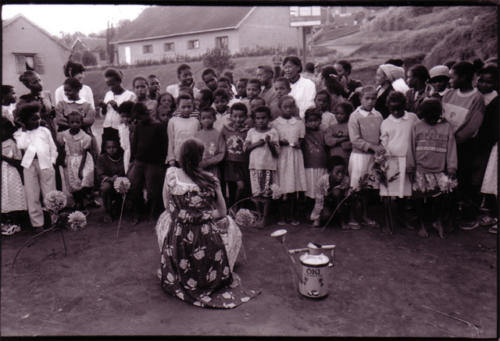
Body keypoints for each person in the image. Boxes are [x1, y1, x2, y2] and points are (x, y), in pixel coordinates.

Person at [155, 139, 259, 308]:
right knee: (228, 227)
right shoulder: (210, 179)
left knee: (168, 229)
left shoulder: (171, 174)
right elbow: (222, 212)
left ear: (181, 156)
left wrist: (184, 216)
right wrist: (202, 216)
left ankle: (180, 276)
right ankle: (207, 277)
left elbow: (167, 206)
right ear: (200, 157)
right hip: (204, 235)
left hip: (179, 235)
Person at [442, 61, 485, 230]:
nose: (450, 80)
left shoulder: (477, 98)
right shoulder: (449, 94)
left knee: (464, 180)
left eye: (453, 77)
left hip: (464, 146)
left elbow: (472, 126)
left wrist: (454, 141)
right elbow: (442, 117)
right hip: (446, 144)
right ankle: (449, 213)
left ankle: (469, 216)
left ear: (465, 77)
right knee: (447, 179)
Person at [407, 99, 457, 238]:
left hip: (439, 171)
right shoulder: (416, 126)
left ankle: (437, 221)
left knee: (440, 198)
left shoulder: (447, 127)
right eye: (429, 117)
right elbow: (410, 147)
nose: (432, 120)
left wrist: (452, 167)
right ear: (423, 115)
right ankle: (422, 224)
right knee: (419, 198)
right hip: (420, 170)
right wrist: (410, 167)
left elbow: (452, 148)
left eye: (435, 117)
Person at [14, 103, 58, 233]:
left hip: (46, 164)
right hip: (29, 166)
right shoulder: (19, 134)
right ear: (25, 121)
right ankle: (37, 224)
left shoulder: (44, 131)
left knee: (50, 193)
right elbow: (22, 145)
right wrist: (24, 130)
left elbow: (53, 147)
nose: (38, 121)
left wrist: (52, 160)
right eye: (33, 119)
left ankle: (54, 219)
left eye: (38, 118)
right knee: (32, 194)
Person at [379, 92, 419, 233]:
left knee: (404, 193)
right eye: (392, 109)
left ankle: (402, 219)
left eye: (399, 108)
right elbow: (384, 143)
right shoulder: (386, 122)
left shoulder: (412, 118)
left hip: (408, 160)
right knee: (388, 194)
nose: (396, 112)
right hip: (391, 162)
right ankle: (388, 223)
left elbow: (417, 137)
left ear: (405, 106)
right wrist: (383, 160)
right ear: (388, 107)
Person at [347, 86, 384, 229]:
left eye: (373, 98)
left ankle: (365, 216)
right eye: (367, 98)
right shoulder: (355, 116)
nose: (370, 101)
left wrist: (380, 147)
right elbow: (355, 139)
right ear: (360, 99)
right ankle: (352, 217)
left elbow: (382, 134)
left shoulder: (378, 115)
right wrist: (372, 147)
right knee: (356, 188)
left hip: (373, 158)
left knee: (369, 188)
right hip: (359, 157)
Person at [129, 102, 168, 223]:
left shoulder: (159, 126)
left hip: (154, 163)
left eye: (140, 117)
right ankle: (138, 212)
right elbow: (134, 144)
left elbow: (164, 146)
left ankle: (154, 213)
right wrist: (133, 160)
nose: (138, 120)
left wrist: (161, 164)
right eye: (136, 118)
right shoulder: (138, 126)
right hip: (139, 161)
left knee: (153, 191)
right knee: (134, 186)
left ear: (146, 114)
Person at [271, 96, 307, 225]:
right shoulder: (275, 124)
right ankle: (281, 216)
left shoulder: (298, 122)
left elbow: (301, 138)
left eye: (291, 107)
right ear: (280, 108)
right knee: (281, 185)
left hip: (295, 156)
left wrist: (299, 143)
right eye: (285, 107)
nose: (288, 109)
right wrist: (280, 142)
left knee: (293, 185)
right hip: (282, 157)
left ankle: (292, 216)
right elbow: (273, 141)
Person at [244, 106, 279, 228]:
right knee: (256, 194)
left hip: (268, 167)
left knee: (266, 194)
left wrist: (269, 143)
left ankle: (265, 218)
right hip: (254, 167)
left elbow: (276, 153)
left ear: (269, 118)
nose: (261, 121)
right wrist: (258, 143)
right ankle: (259, 216)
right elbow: (246, 149)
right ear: (254, 120)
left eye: (263, 118)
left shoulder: (273, 132)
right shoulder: (251, 132)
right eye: (258, 118)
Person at [474, 65, 498, 227]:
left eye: (488, 82)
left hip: (489, 145)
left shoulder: (496, 101)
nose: (483, 84)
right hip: (475, 143)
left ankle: (490, 212)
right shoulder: (476, 96)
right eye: (481, 80)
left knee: (488, 177)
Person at [57, 112, 94, 210]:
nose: (74, 124)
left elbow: (85, 153)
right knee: (71, 182)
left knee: (83, 180)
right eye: (72, 122)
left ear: (81, 123)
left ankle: (84, 200)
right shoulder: (64, 135)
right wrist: (61, 159)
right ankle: (78, 202)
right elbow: (61, 148)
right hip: (69, 160)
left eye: (77, 122)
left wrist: (81, 169)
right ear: (68, 123)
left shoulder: (85, 137)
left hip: (82, 160)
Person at [301, 108, 329, 225]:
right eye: (310, 121)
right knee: (310, 192)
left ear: (320, 121)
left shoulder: (323, 133)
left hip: (321, 166)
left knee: (321, 192)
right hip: (309, 167)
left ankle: (319, 215)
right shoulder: (304, 133)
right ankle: (309, 214)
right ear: (306, 122)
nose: (313, 123)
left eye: (316, 120)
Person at [1, 117, 27, 236]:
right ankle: (7, 222)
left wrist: (4, 157)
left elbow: (19, 162)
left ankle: (17, 223)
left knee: (14, 196)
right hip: (2, 175)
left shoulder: (12, 144)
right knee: (5, 198)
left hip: (12, 175)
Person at [221, 103, 250, 206]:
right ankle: (232, 208)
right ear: (230, 117)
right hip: (230, 163)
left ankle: (237, 207)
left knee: (243, 187)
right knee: (233, 187)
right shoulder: (226, 129)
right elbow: (221, 143)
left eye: (241, 116)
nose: (238, 119)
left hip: (242, 163)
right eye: (235, 116)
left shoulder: (248, 130)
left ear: (246, 117)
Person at [310, 156, 350, 228]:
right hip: (326, 203)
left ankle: (342, 221)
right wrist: (317, 219)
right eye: (337, 172)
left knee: (337, 192)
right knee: (326, 215)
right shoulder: (321, 181)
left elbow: (346, 198)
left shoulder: (346, 180)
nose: (340, 175)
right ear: (329, 172)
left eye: (342, 172)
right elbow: (319, 202)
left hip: (340, 204)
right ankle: (325, 217)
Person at [17, 70, 57, 140]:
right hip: (37, 132)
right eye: (35, 82)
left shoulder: (47, 94)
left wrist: (54, 111)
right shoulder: (25, 100)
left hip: (51, 128)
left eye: (39, 80)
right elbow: (19, 119)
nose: (39, 83)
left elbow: (51, 108)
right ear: (28, 85)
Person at [100, 68, 136, 146]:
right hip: (107, 128)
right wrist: (103, 108)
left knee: (121, 151)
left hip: (120, 129)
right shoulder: (108, 94)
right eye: (108, 85)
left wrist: (117, 108)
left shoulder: (130, 95)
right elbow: (103, 115)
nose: (110, 87)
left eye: (112, 84)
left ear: (119, 81)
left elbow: (131, 116)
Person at [96, 138, 126, 223]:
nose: (111, 150)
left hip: (123, 181)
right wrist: (110, 179)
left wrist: (120, 178)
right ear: (105, 148)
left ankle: (122, 206)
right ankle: (107, 211)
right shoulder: (102, 158)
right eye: (109, 147)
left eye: (114, 147)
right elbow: (100, 174)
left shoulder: (123, 156)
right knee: (105, 187)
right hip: (109, 182)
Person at [167, 94, 200, 167]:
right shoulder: (173, 121)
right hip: (177, 158)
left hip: (192, 157)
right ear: (178, 107)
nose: (186, 109)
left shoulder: (196, 121)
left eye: (189, 107)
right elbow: (171, 140)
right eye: (183, 107)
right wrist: (171, 158)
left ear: (193, 107)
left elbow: (198, 139)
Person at [195, 107, 225, 180]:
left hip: (213, 168)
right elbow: (193, 151)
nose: (206, 120)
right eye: (203, 118)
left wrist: (209, 162)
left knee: (213, 186)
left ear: (214, 118)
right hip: (199, 167)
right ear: (200, 120)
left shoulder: (218, 134)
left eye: (209, 118)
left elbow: (221, 153)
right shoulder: (197, 135)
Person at [116, 101, 135, 172]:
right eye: (123, 116)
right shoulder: (121, 128)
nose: (126, 119)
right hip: (126, 154)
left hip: (134, 155)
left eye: (128, 116)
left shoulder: (135, 128)